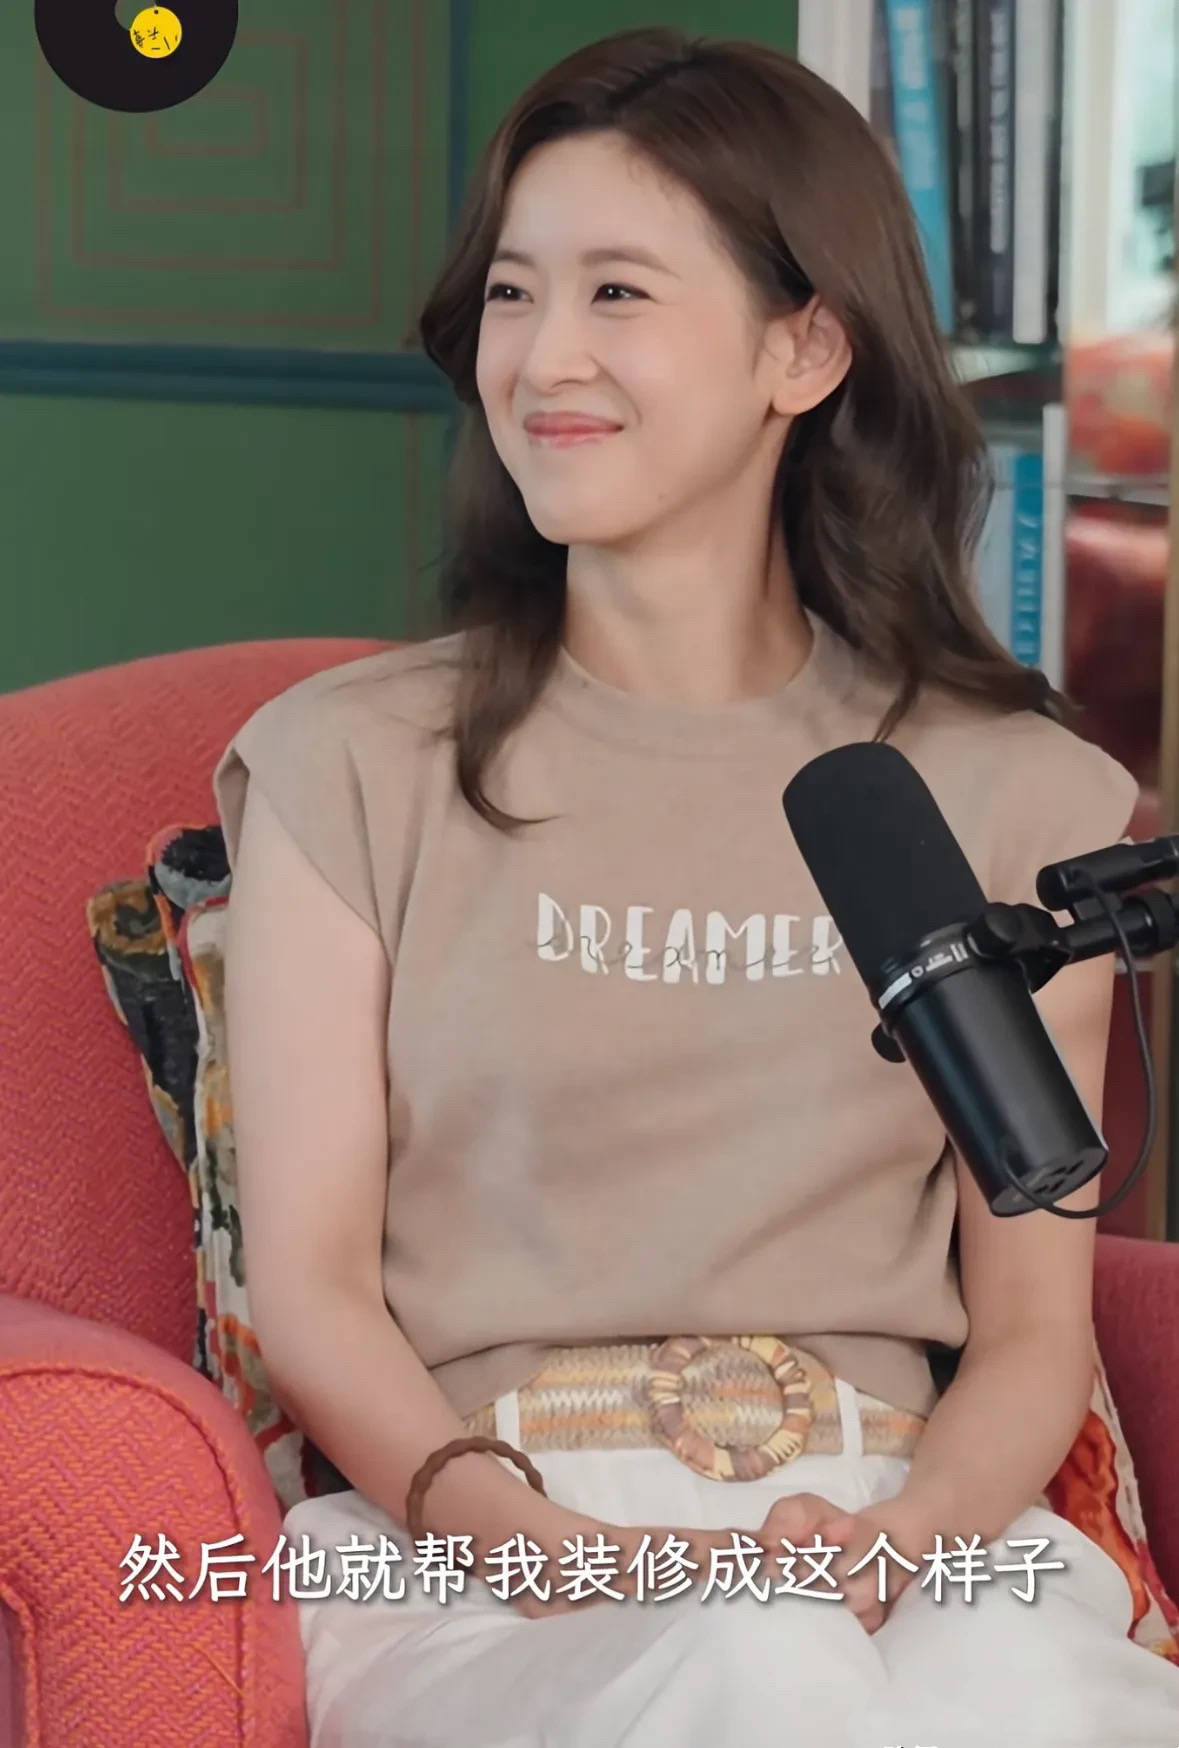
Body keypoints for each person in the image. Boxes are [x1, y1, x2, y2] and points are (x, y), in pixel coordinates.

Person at [212, 26, 1179, 1748]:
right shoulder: (346, 768)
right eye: (513, 295)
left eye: (618, 294)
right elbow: (314, 1287)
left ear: (805, 347)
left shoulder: (1013, 796)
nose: (544, 357)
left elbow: (1036, 1327)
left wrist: (904, 1539)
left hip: (899, 1534)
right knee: (751, 1667)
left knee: (1032, 1709)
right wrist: (537, 1545)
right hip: (478, 1552)